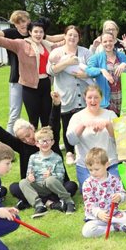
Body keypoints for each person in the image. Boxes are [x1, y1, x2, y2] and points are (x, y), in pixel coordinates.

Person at [0, 92, 77, 210]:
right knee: (15, 187)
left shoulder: (47, 138)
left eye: (28, 135)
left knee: (71, 186)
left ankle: (32, 200)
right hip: (34, 185)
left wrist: (56, 104)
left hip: (55, 183)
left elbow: (54, 122)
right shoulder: (22, 146)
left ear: (33, 129)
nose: (28, 140)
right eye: (23, 138)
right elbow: (5, 137)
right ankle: (51, 203)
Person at [0, 11, 63, 134]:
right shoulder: (15, 37)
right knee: (15, 113)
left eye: (24, 21)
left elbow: (54, 40)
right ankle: (10, 142)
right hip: (19, 79)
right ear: (15, 25)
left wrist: (70, 35)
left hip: (42, 82)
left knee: (46, 118)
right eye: (18, 22)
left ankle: (46, 142)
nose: (22, 25)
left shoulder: (40, 37)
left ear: (29, 22)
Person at [47, 25, 94, 165]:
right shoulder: (57, 52)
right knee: (68, 124)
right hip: (66, 94)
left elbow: (92, 70)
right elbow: (51, 70)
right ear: (65, 36)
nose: (72, 38)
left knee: (85, 123)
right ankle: (69, 152)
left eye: (75, 35)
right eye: (70, 35)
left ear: (79, 38)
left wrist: (85, 74)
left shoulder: (85, 52)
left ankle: (86, 151)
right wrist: (67, 62)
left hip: (84, 94)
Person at [66, 85, 119, 188]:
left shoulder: (110, 115)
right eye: (89, 97)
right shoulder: (77, 117)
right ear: (84, 98)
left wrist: (108, 125)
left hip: (109, 163)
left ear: (101, 98)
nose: (93, 101)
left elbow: (119, 140)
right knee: (92, 190)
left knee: (113, 189)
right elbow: (71, 141)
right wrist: (83, 125)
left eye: (96, 97)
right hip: (86, 166)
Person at [19, 127, 76, 218]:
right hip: (39, 187)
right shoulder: (33, 157)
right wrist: (29, 177)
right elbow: (29, 173)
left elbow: (61, 176)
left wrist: (52, 175)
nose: (45, 144)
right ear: (37, 143)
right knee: (22, 182)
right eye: (42, 141)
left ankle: (69, 202)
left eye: (47, 141)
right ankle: (40, 206)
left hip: (53, 186)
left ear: (52, 142)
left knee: (51, 180)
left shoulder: (57, 157)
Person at [81, 148, 126, 237]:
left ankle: (124, 214)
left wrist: (119, 196)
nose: (93, 173)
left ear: (107, 164)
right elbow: (88, 204)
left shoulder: (114, 180)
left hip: (113, 214)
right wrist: (98, 213)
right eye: (90, 170)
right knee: (87, 231)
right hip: (96, 218)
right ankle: (115, 228)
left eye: (96, 169)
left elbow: (123, 193)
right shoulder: (88, 183)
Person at [85, 31, 126, 115]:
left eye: (110, 41)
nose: (108, 43)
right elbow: (89, 70)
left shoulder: (121, 55)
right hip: (107, 99)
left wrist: (124, 64)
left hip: (122, 96)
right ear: (101, 43)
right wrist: (102, 71)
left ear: (114, 41)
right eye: (105, 41)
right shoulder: (97, 57)